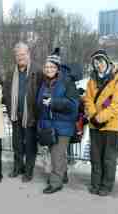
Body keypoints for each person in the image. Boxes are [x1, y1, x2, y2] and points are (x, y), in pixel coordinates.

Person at [84, 49, 118, 196]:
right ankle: (95, 184)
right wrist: (93, 115)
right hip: (95, 124)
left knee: (109, 158)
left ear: (107, 61)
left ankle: (106, 186)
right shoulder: (92, 80)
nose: (98, 65)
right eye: (95, 62)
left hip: (113, 126)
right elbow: (88, 99)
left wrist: (99, 118)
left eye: (100, 61)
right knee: (95, 157)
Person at [36, 48, 79, 194]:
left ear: (57, 68)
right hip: (49, 125)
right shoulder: (44, 83)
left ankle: (55, 183)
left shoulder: (67, 82)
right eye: (47, 67)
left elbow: (73, 105)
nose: (49, 69)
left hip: (63, 126)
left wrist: (54, 102)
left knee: (56, 155)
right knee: (57, 154)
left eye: (52, 67)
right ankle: (63, 175)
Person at [3, 42, 42, 182]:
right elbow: (6, 93)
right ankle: (17, 167)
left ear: (28, 54)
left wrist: (37, 114)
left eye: (23, 54)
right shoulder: (10, 72)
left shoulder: (37, 70)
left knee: (30, 145)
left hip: (30, 116)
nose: (20, 57)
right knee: (17, 144)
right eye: (18, 55)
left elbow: (41, 92)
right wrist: (9, 110)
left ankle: (28, 171)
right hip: (15, 115)